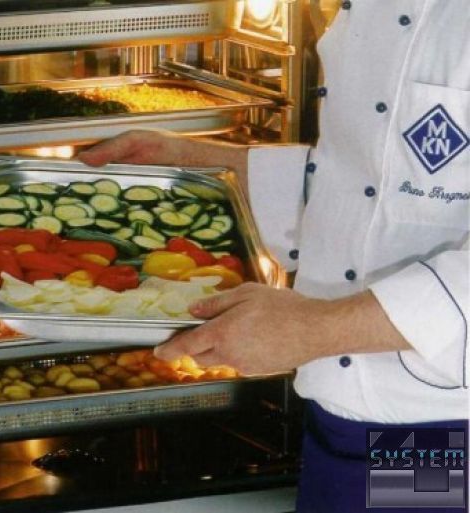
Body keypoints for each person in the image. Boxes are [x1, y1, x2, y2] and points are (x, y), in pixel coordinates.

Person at [79, 1, 469, 511]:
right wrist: (197, 165)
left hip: (441, 433)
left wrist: (314, 330)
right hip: (336, 419)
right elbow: (366, 183)